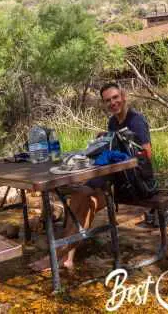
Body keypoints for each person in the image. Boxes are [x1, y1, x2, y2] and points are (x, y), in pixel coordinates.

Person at [30, 82, 153, 272]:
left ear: (123, 96)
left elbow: (146, 155)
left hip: (134, 184)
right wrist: (105, 138)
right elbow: (116, 145)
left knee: (88, 202)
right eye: (107, 100)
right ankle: (67, 257)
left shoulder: (136, 120)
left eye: (115, 98)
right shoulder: (113, 122)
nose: (112, 103)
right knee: (78, 196)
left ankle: (56, 256)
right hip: (113, 180)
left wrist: (118, 154)